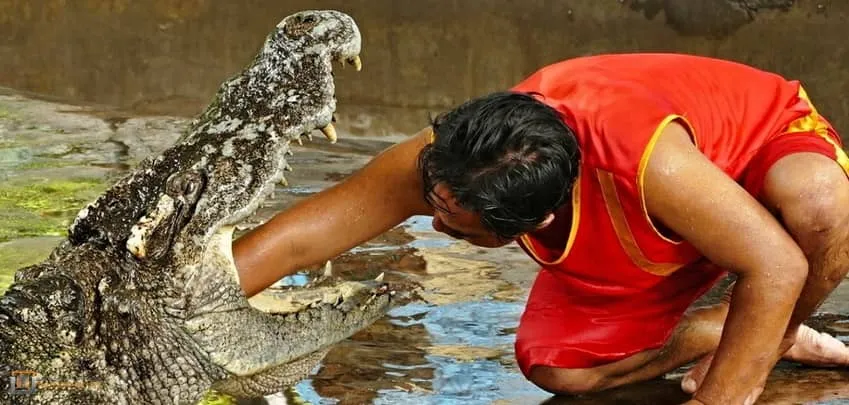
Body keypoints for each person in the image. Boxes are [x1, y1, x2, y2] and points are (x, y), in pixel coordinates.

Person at [233, 53, 849, 405]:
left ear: (540, 223)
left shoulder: (645, 163)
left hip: (753, 154)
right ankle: (735, 327)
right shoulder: (451, 159)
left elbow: (780, 264)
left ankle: (777, 334)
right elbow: (299, 239)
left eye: (459, 226)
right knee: (562, 372)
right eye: (433, 205)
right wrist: (162, 308)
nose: (437, 224)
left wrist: (728, 391)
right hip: (662, 225)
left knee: (821, 205)